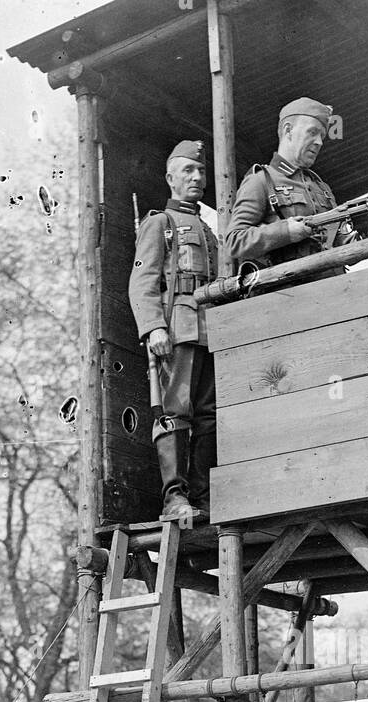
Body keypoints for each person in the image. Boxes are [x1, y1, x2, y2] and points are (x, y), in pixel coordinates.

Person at [128, 139, 219, 528]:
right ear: (170, 178)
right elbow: (142, 280)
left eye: (200, 172)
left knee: (208, 415)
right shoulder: (158, 224)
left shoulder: (209, 230)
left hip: (210, 329)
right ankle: (175, 496)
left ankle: (202, 495)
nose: (197, 177)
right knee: (174, 412)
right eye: (188, 171)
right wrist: (153, 327)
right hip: (177, 327)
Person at [225, 97, 357, 277]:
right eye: (312, 132)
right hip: (290, 294)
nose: (319, 142)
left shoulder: (322, 187)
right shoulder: (261, 181)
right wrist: (285, 232)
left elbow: (336, 239)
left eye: (322, 136)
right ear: (288, 130)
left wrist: (351, 243)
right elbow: (235, 242)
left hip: (335, 289)